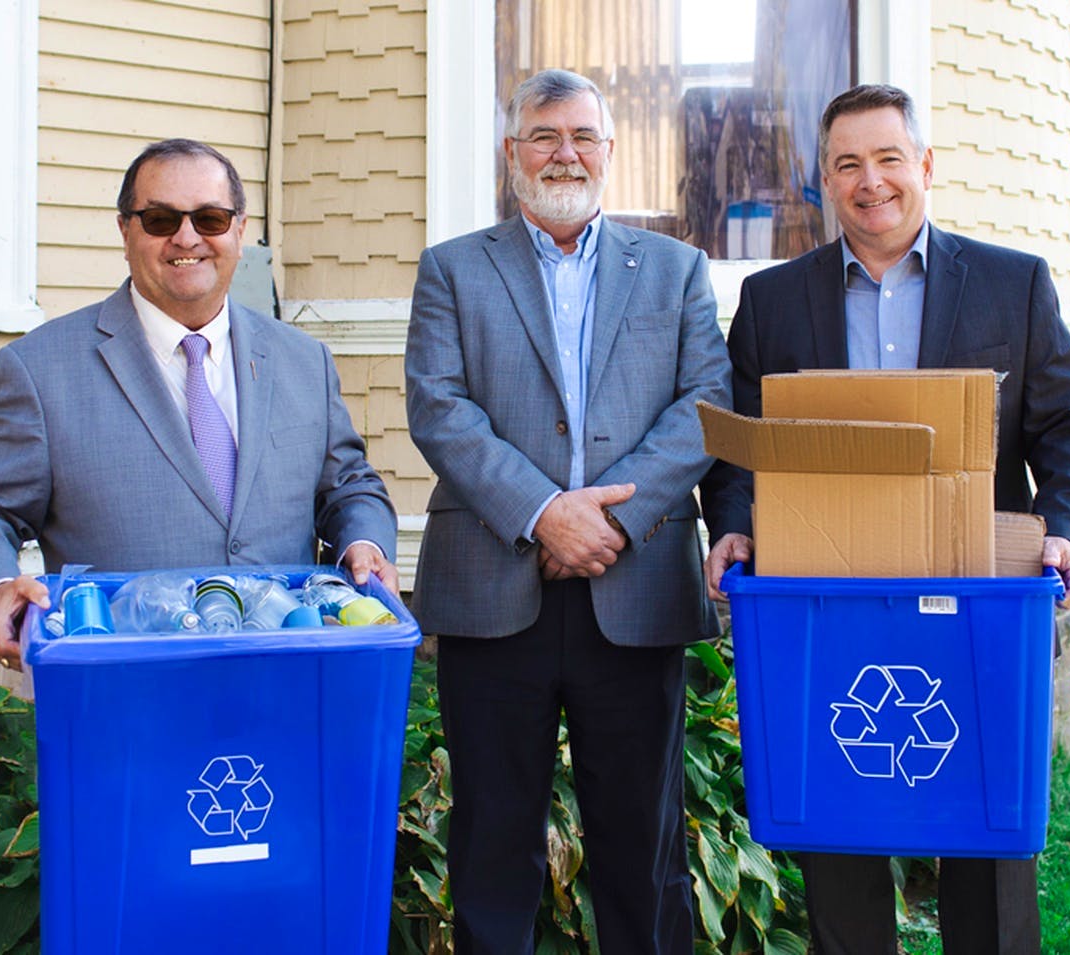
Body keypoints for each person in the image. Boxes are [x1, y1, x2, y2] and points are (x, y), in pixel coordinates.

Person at [701, 84, 1070, 955]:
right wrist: (734, 524)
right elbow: (740, 448)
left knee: (990, 848)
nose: (871, 181)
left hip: (977, 604)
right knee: (840, 836)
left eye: (889, 158)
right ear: (822, 183)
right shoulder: (773, 303)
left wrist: (1069, 528)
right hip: (827, 602)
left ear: (924, 166)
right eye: (847, 164)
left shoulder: (1013, 284)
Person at [404, 69, 731, 954]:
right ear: (513, 153)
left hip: (635, 590)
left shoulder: (676, 269)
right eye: (545, 135)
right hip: (493, 590)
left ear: (611, 154)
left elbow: (704, 403)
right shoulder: (454, 268)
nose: (565, 153)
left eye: (583, 136)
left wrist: (611, 522)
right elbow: (438, 407)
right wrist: (546, 512)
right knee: (491, 842)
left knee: (644, 845)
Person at [0, 138, 398, 668]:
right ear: (125, 230)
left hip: (287, 678)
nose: (187, 237)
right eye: (159, 219)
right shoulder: (41, 369)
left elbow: (347, 486)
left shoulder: (301, 360)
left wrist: (366, 542)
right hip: (124, 691)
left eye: (211, 219)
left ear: (239, 231)